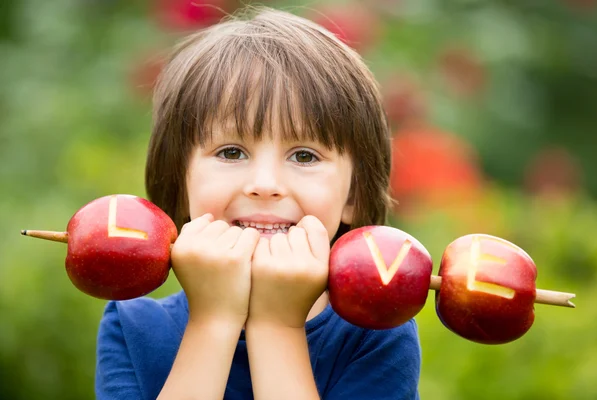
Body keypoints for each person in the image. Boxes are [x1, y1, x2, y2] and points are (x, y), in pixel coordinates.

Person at [95, 6, 421, 399]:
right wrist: (213, 320)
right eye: (231, 152)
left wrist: (278, 325)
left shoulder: (375, 334)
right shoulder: (133, 327)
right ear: (181, 181)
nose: (265, 185)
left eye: (304, 156)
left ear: (353, 195)